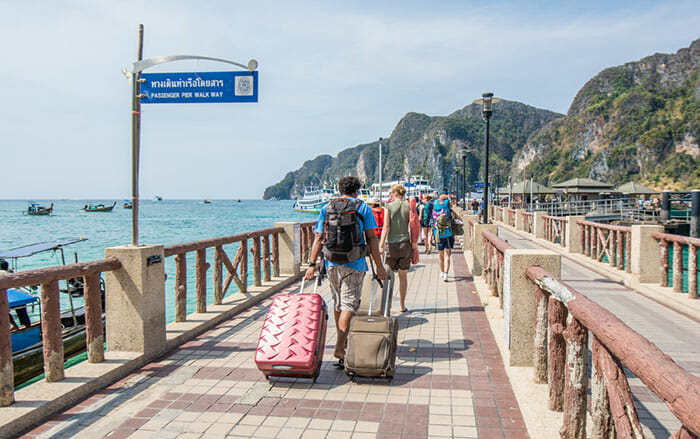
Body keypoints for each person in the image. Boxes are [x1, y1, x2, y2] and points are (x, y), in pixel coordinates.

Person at [305, 176, 387, 369]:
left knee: (339, 304)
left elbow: (318, 237)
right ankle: (340, 347)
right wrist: (380, 266)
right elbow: (372, 239)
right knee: (349, 305)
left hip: (331, 262)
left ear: (339, 189)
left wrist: (311, 264)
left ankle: (344, 340)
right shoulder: (363, 208)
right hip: (355, 263)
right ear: (357, 191)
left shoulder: (327, 207)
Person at [379, 184, 416, 313]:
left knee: (388, 277)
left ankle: (386, 307)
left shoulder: (388, 206)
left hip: (391, 246)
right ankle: (402, 305)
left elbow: (386, 227)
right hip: (405, 244)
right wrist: (414, 246)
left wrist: (381, 244)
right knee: (403, 277)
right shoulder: (408, 206)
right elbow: (413, 226)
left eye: (390, 193)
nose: (389, 195)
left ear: (395, 193)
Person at [432, 192, 455, 282]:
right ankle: (446, 273)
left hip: (438, 233)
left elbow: (432, 219)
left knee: (440, 255)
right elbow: (453, 217)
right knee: (447, 255)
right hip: (448, 233)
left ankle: (441, 272)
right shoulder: (448, 206)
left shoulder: (435, 205)